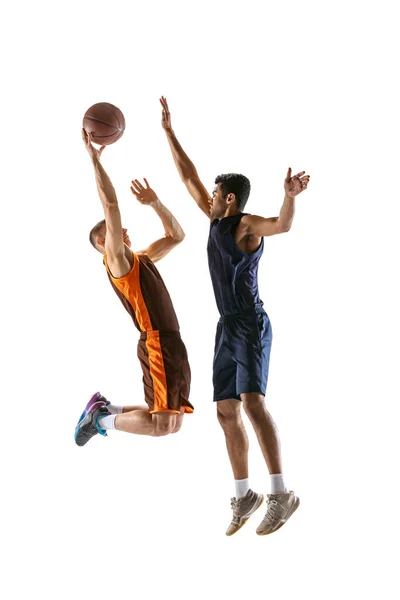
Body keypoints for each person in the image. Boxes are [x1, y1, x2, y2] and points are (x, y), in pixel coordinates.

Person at [160, 97, 310, 536]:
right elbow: (187, 176)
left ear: (228, 199)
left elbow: (281, 226)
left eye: (213, 195)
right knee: (226, 411)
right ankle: (244, 494)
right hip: (226, 326)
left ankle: (282, 493)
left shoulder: (244, 224)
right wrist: (169, 132)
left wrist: (288, 197)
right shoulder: (215, 223)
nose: (205, 198)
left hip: (249, 322)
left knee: (252, 403)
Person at [74, 129, 193, 447]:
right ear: (104, 242)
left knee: (172, 423)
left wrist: (156, 203)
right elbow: (111, 206)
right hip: (157, 343)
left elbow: (177, 236)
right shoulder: (117, 262)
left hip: (172, 342)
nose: (124, 229)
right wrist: (94, 161)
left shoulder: (140, 259)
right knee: (162, 424)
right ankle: (100, 420)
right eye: (113, 231)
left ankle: (105, 410)